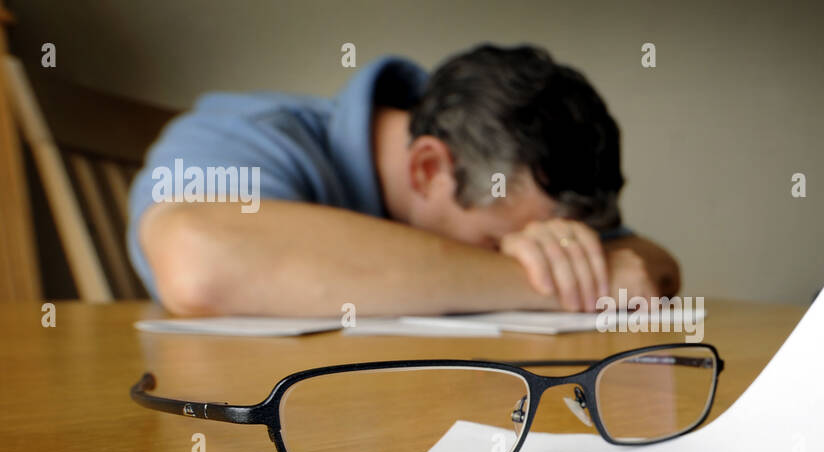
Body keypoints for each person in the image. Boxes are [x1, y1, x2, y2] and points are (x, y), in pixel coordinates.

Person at [128, 44, 680, 316]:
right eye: (497, 244)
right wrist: (550, 288)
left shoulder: (515, 187)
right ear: (428, 168)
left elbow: (645, 267)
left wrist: (604, 266)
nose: (524, 255)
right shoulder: (241, 136)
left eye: (528, 249)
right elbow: (197, 260)